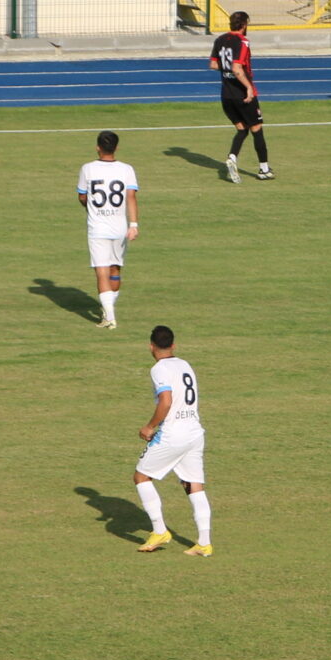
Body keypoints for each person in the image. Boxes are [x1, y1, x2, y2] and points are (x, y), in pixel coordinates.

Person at [134, 325, 213, 556]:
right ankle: (204, 543)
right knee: (194, 485)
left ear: (151, 346)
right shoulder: (184, 364)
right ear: (173, 345)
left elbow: (165, 402)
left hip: (173, 433)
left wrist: (150, 427)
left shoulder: (159, 369)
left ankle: (160, 531)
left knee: (141, 476)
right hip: (194, 432)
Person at [75, 131, 139, 330]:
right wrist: (134, 225)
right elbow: (131, 197)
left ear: (97, 147)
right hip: (120, 228)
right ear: (117, 148)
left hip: (97, 228)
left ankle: (109, 316)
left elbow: (82, 196)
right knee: (115, 269)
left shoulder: (88, 169)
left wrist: (91, 207)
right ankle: (108, 309)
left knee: (101, 271)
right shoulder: (127, 169)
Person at [211, 10, 271, 183]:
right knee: (257, 130)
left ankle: (232, 157)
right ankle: (264, 169)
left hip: (226, 95)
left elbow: (214, 64)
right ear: (244, 25)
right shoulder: (243, 42)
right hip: (241, 95)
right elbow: (237, 69)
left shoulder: (220, 40)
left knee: (242, 129)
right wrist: (249, 88)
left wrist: (227, 70)